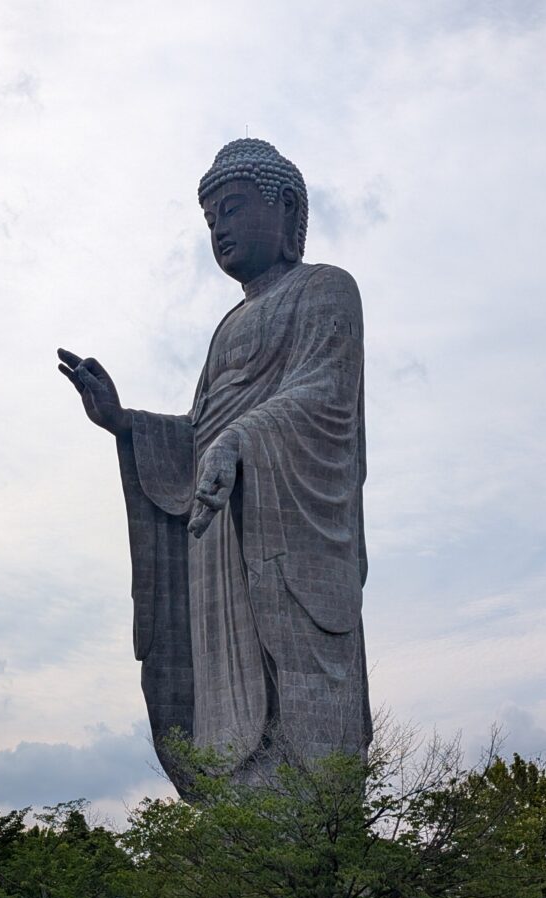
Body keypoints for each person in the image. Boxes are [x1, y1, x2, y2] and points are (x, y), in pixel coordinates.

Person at [58, 139, 371, 787]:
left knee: (293, 708)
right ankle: (233, 793)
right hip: (218, 535)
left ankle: (300, 799)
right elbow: (203, 431)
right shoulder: (229, 323)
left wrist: (241, 439)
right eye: (209, 221)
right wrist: (126, 424)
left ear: (285, 209)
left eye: (230, 209)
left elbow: (324, 392)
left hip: (281, 529)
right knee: (221, 704)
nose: (219, 229)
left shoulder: (324, 290)